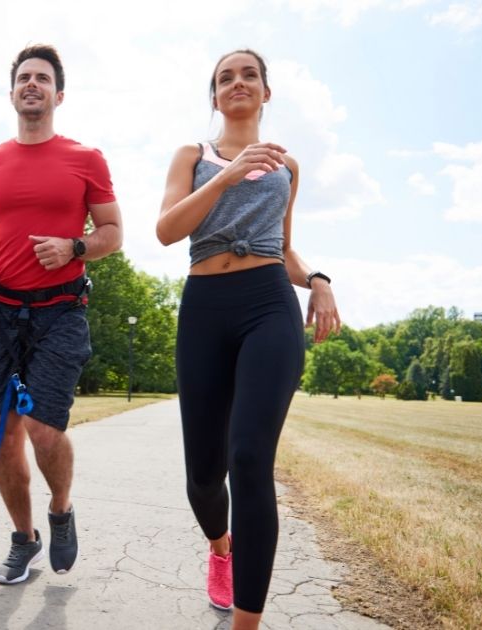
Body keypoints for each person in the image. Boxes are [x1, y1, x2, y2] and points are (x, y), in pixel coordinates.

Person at [156, 49, 340, 628]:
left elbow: (281, 249)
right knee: (204, 479)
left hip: (268, 306)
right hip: (206, 308)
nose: (238, 83)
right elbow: (166, 230)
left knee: (251, 458)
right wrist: (231, 172)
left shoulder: (288, 167)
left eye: (249, 75)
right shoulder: (194, 154)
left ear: (266, 92)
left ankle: (247, 620)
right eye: (225, 78)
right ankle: (220, 546)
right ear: (215, 97)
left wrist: (317, 280)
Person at [0, 44, 123, 585]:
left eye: (42, 78)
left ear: (58, 94)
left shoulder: (86, 158)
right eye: (24, 77)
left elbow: (113, 235)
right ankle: (23, 540)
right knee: (3, 435)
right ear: (12, 93)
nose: (32, 84)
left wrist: (75, 247)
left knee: (43, 428)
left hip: (61, 312)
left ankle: (61, 509)